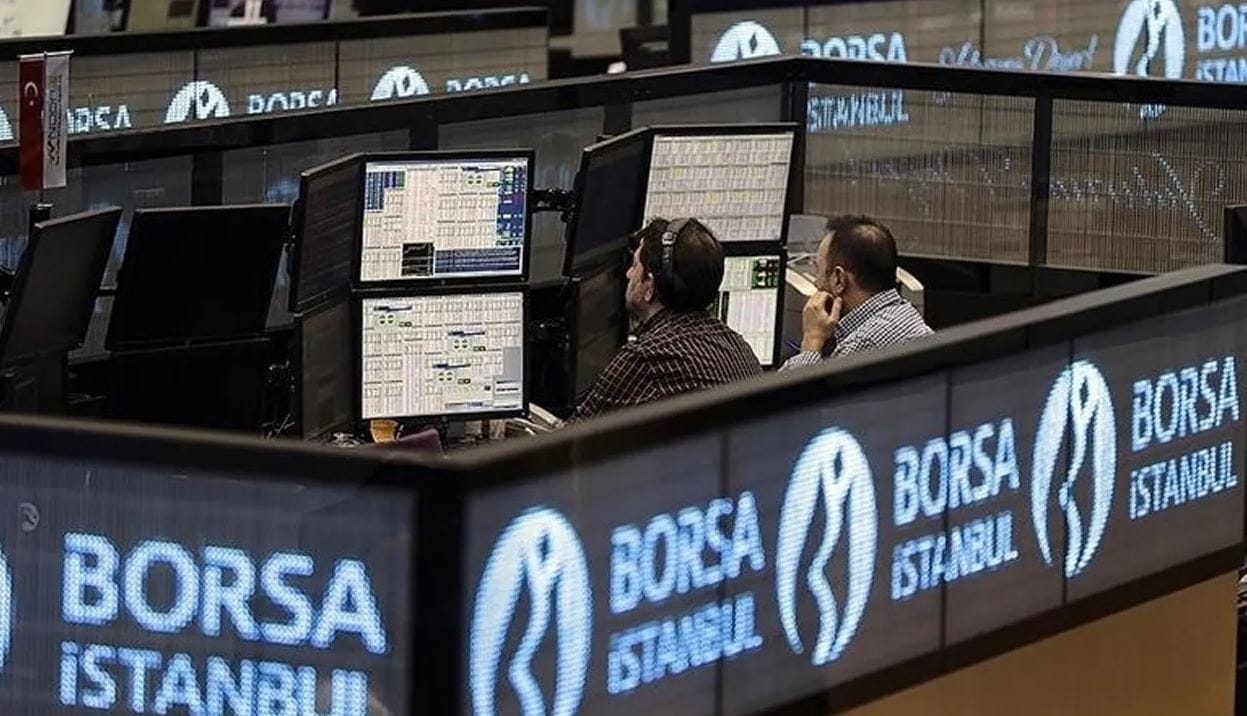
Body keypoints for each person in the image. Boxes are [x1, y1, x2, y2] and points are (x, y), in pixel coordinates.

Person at [574, 218, 763, 419]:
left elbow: (574, 435)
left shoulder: (645, 359)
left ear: (649, 285)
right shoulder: (738, 346)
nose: (628, 274)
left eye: (635, 266)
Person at [782, 215, 932, 370]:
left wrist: (812, 339)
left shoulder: (862, 345)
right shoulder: (906, 318)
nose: (816, 283)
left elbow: (796, 386)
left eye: (817, 269)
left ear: (839, 279)